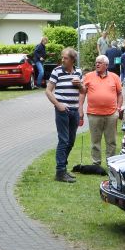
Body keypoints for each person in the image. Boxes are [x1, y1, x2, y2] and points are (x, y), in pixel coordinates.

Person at [46, 47, 85, 183]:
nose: (62, 60)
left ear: (73, 60)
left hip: (74, 111)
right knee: (63, 140)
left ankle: (63, 168)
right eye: (62, 57)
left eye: (65, 58)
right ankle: (60, 171)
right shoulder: (57, 71)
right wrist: (58, 105)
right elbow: (48, 91)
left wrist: (80, 85)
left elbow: (83, 91)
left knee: (71, 141)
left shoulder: (78, 72)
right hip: (62, 111)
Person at [80, 55, 123, 169]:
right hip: (94, 114)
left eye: (100, 62)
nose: (97, 64)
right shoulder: (88, 76)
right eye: (96, 62)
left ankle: (111, 164)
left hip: (111, 114)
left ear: (106, 65)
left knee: (111, 141)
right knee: (95, 141)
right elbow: (82, 93)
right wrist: (80, 108)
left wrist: (118, 108)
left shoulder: (114, 77)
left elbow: (119, 94)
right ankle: (96, 164)